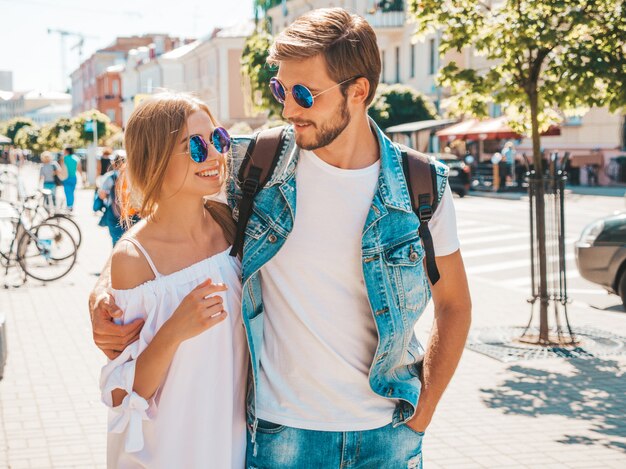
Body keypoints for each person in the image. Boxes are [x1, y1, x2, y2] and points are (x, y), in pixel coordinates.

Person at [90, 8, 471, 468]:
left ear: (359, 90)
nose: (289, 109)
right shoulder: (255, 167)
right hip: (281, 436)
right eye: (281, 90)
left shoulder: (421, 185)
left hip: (387, 433)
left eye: (305, 94)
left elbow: (454, 303)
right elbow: (167, 217)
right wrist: (103, 291)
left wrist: (423, 412)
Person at [99, 93, 247, 468]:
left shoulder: (230, 224)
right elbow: (127, 393)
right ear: (156, 157)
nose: (215, 155)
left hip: (234, 442)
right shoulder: (134, 259)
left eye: (218, 140)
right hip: (171, 450)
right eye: (195, 147)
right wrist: (175, 329)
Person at [97, 153, 137, 246]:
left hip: (115, 214)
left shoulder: (110, 177)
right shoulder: (134, 176)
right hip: (133, 213)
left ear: (114, 163)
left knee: (117, 243)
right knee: (133, 243)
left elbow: (102, 195)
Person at [61, 146, 85, 212]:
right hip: (74, 178)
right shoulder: (76, 158)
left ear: (67, 151)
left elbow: (61, 168)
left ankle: (69, 206)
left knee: (67, 192)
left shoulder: (64, 158)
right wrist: (83, 178)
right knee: (72, 192)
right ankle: (70, 205)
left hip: (66, 177)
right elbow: (79, 169)